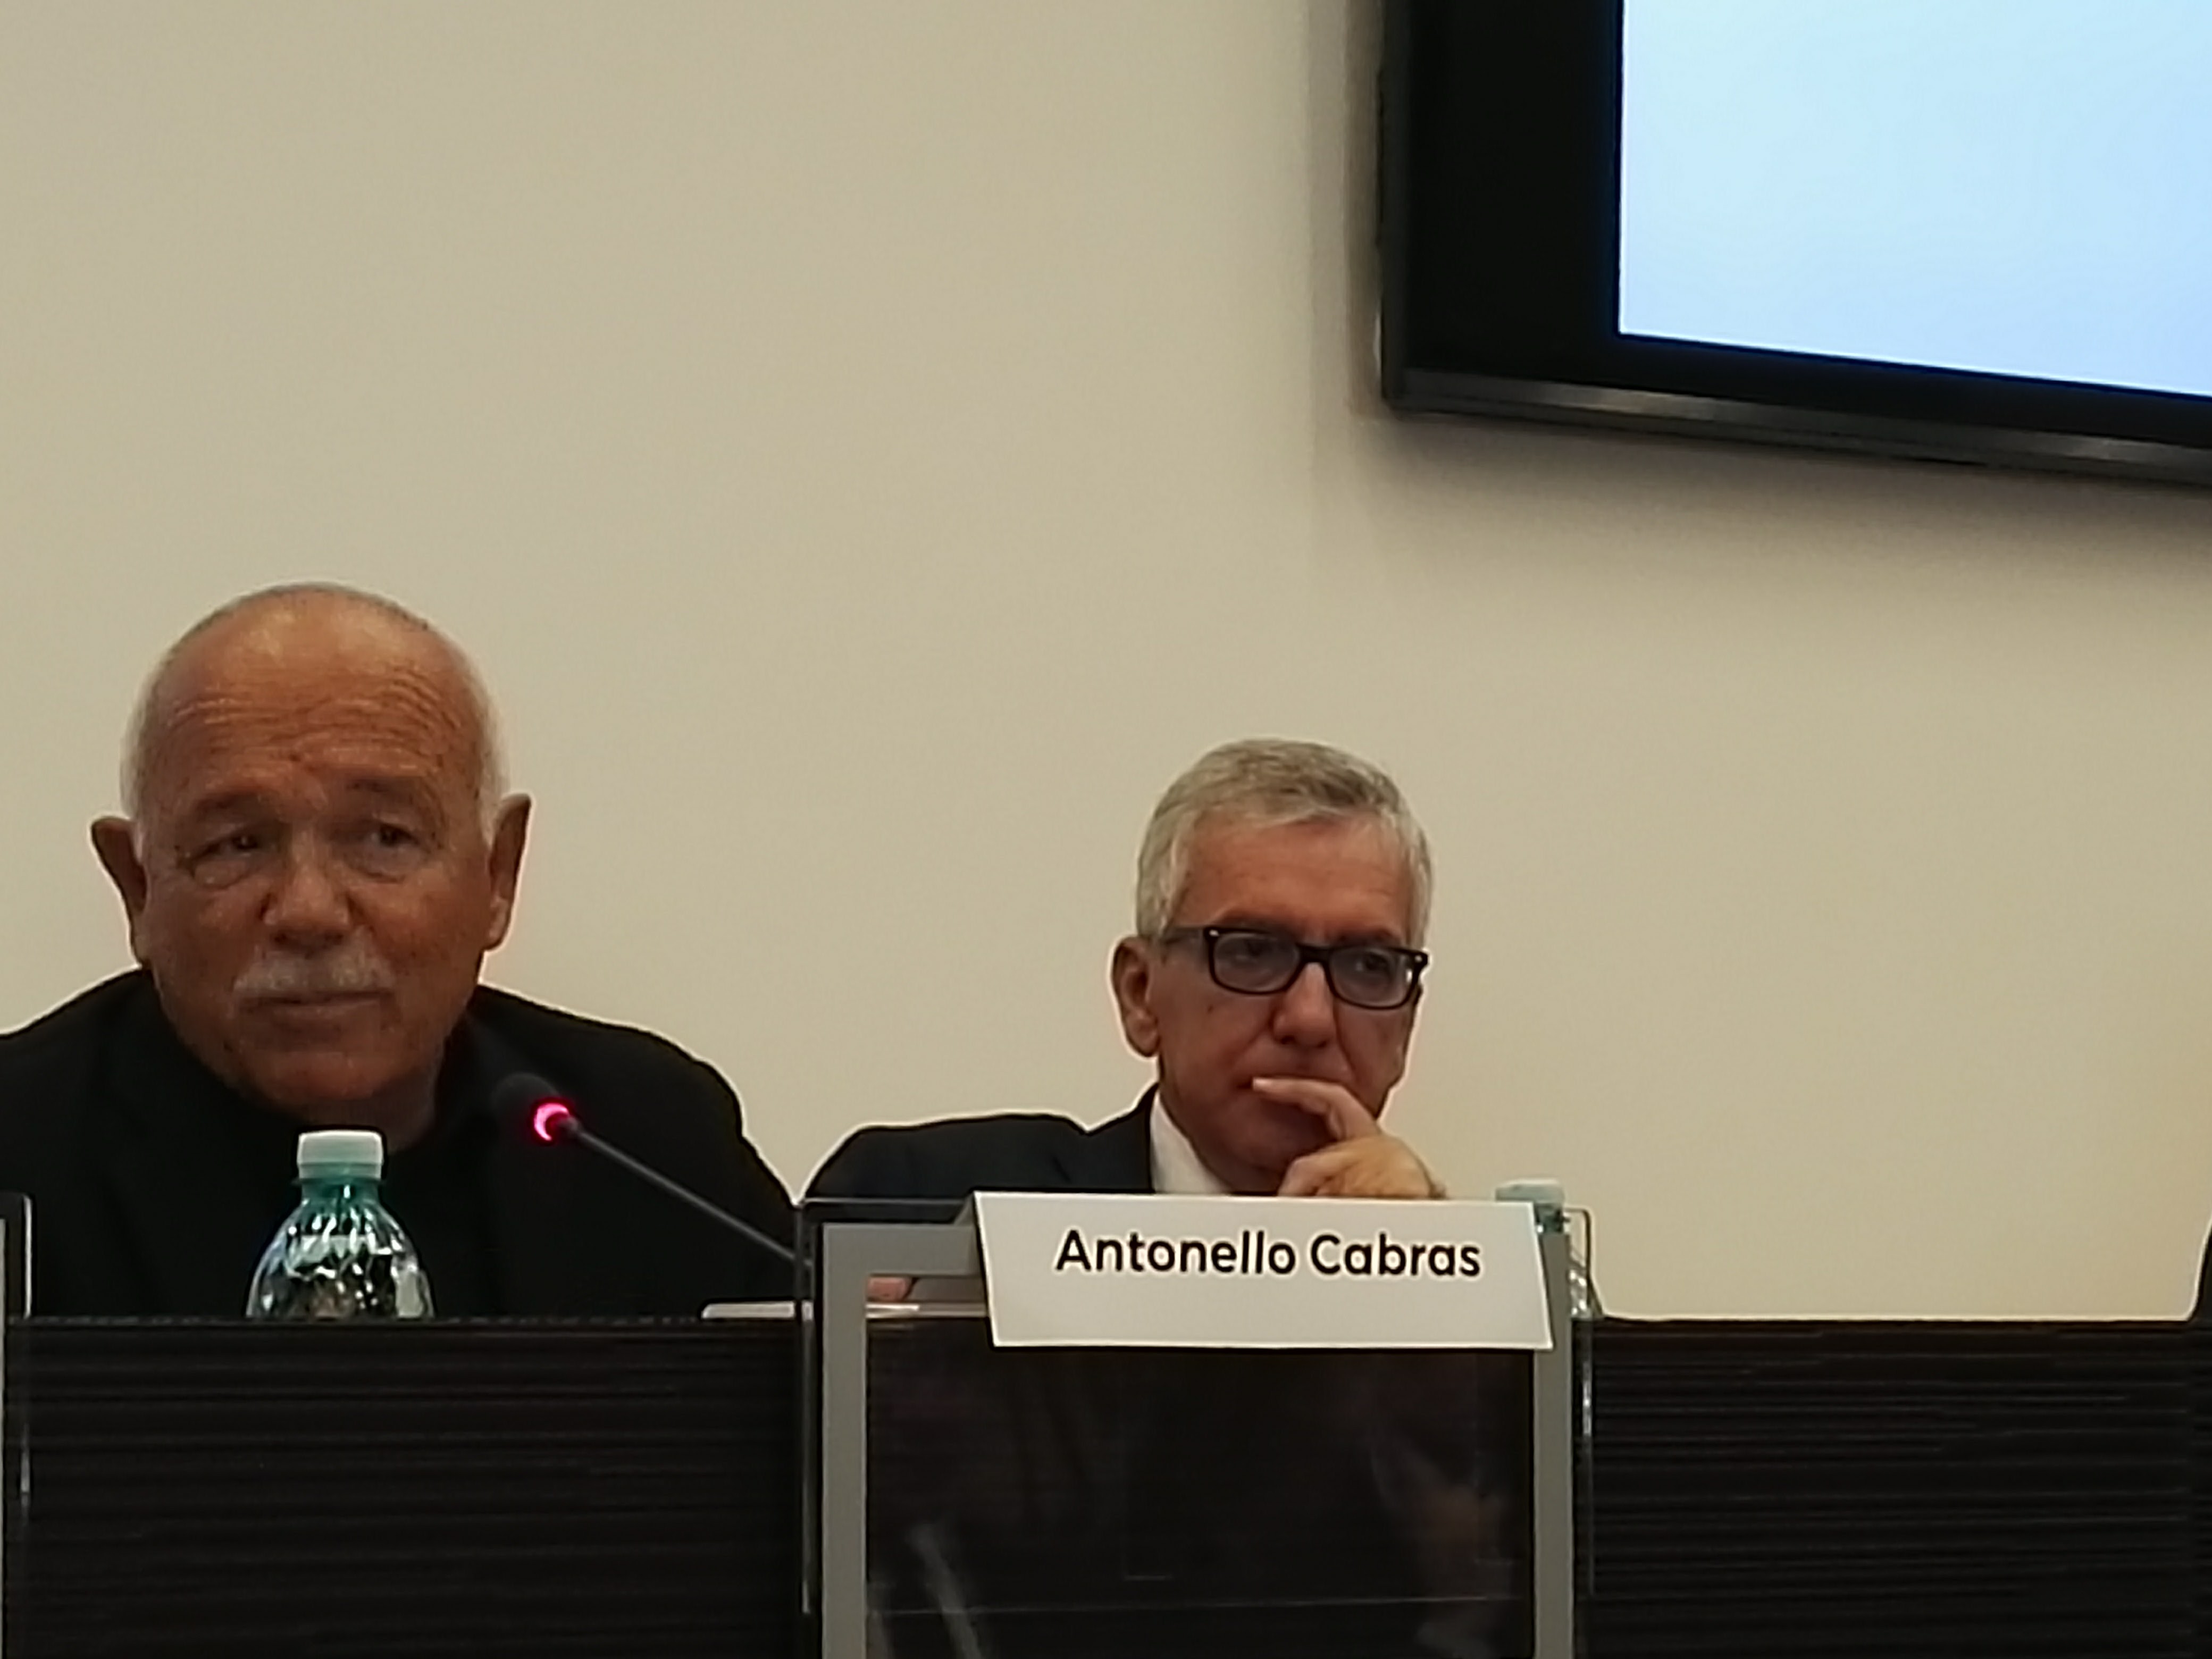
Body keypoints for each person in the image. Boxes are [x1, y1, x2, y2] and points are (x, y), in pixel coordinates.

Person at [0, 584, 791, 1316]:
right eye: (237, 845)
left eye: (384, 838)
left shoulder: (649, 1144)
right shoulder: (17, 1150)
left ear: (498, 874)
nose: (309, 912)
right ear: (137, 888)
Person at [811, 736, 1446, 1202]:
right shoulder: (925, 1198)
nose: (1309, 1018)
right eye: (1251, 951)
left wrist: (1434, 1276)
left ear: (1406, 1026)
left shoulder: (1471, 1292)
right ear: (1140, 995)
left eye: (1368, 966)